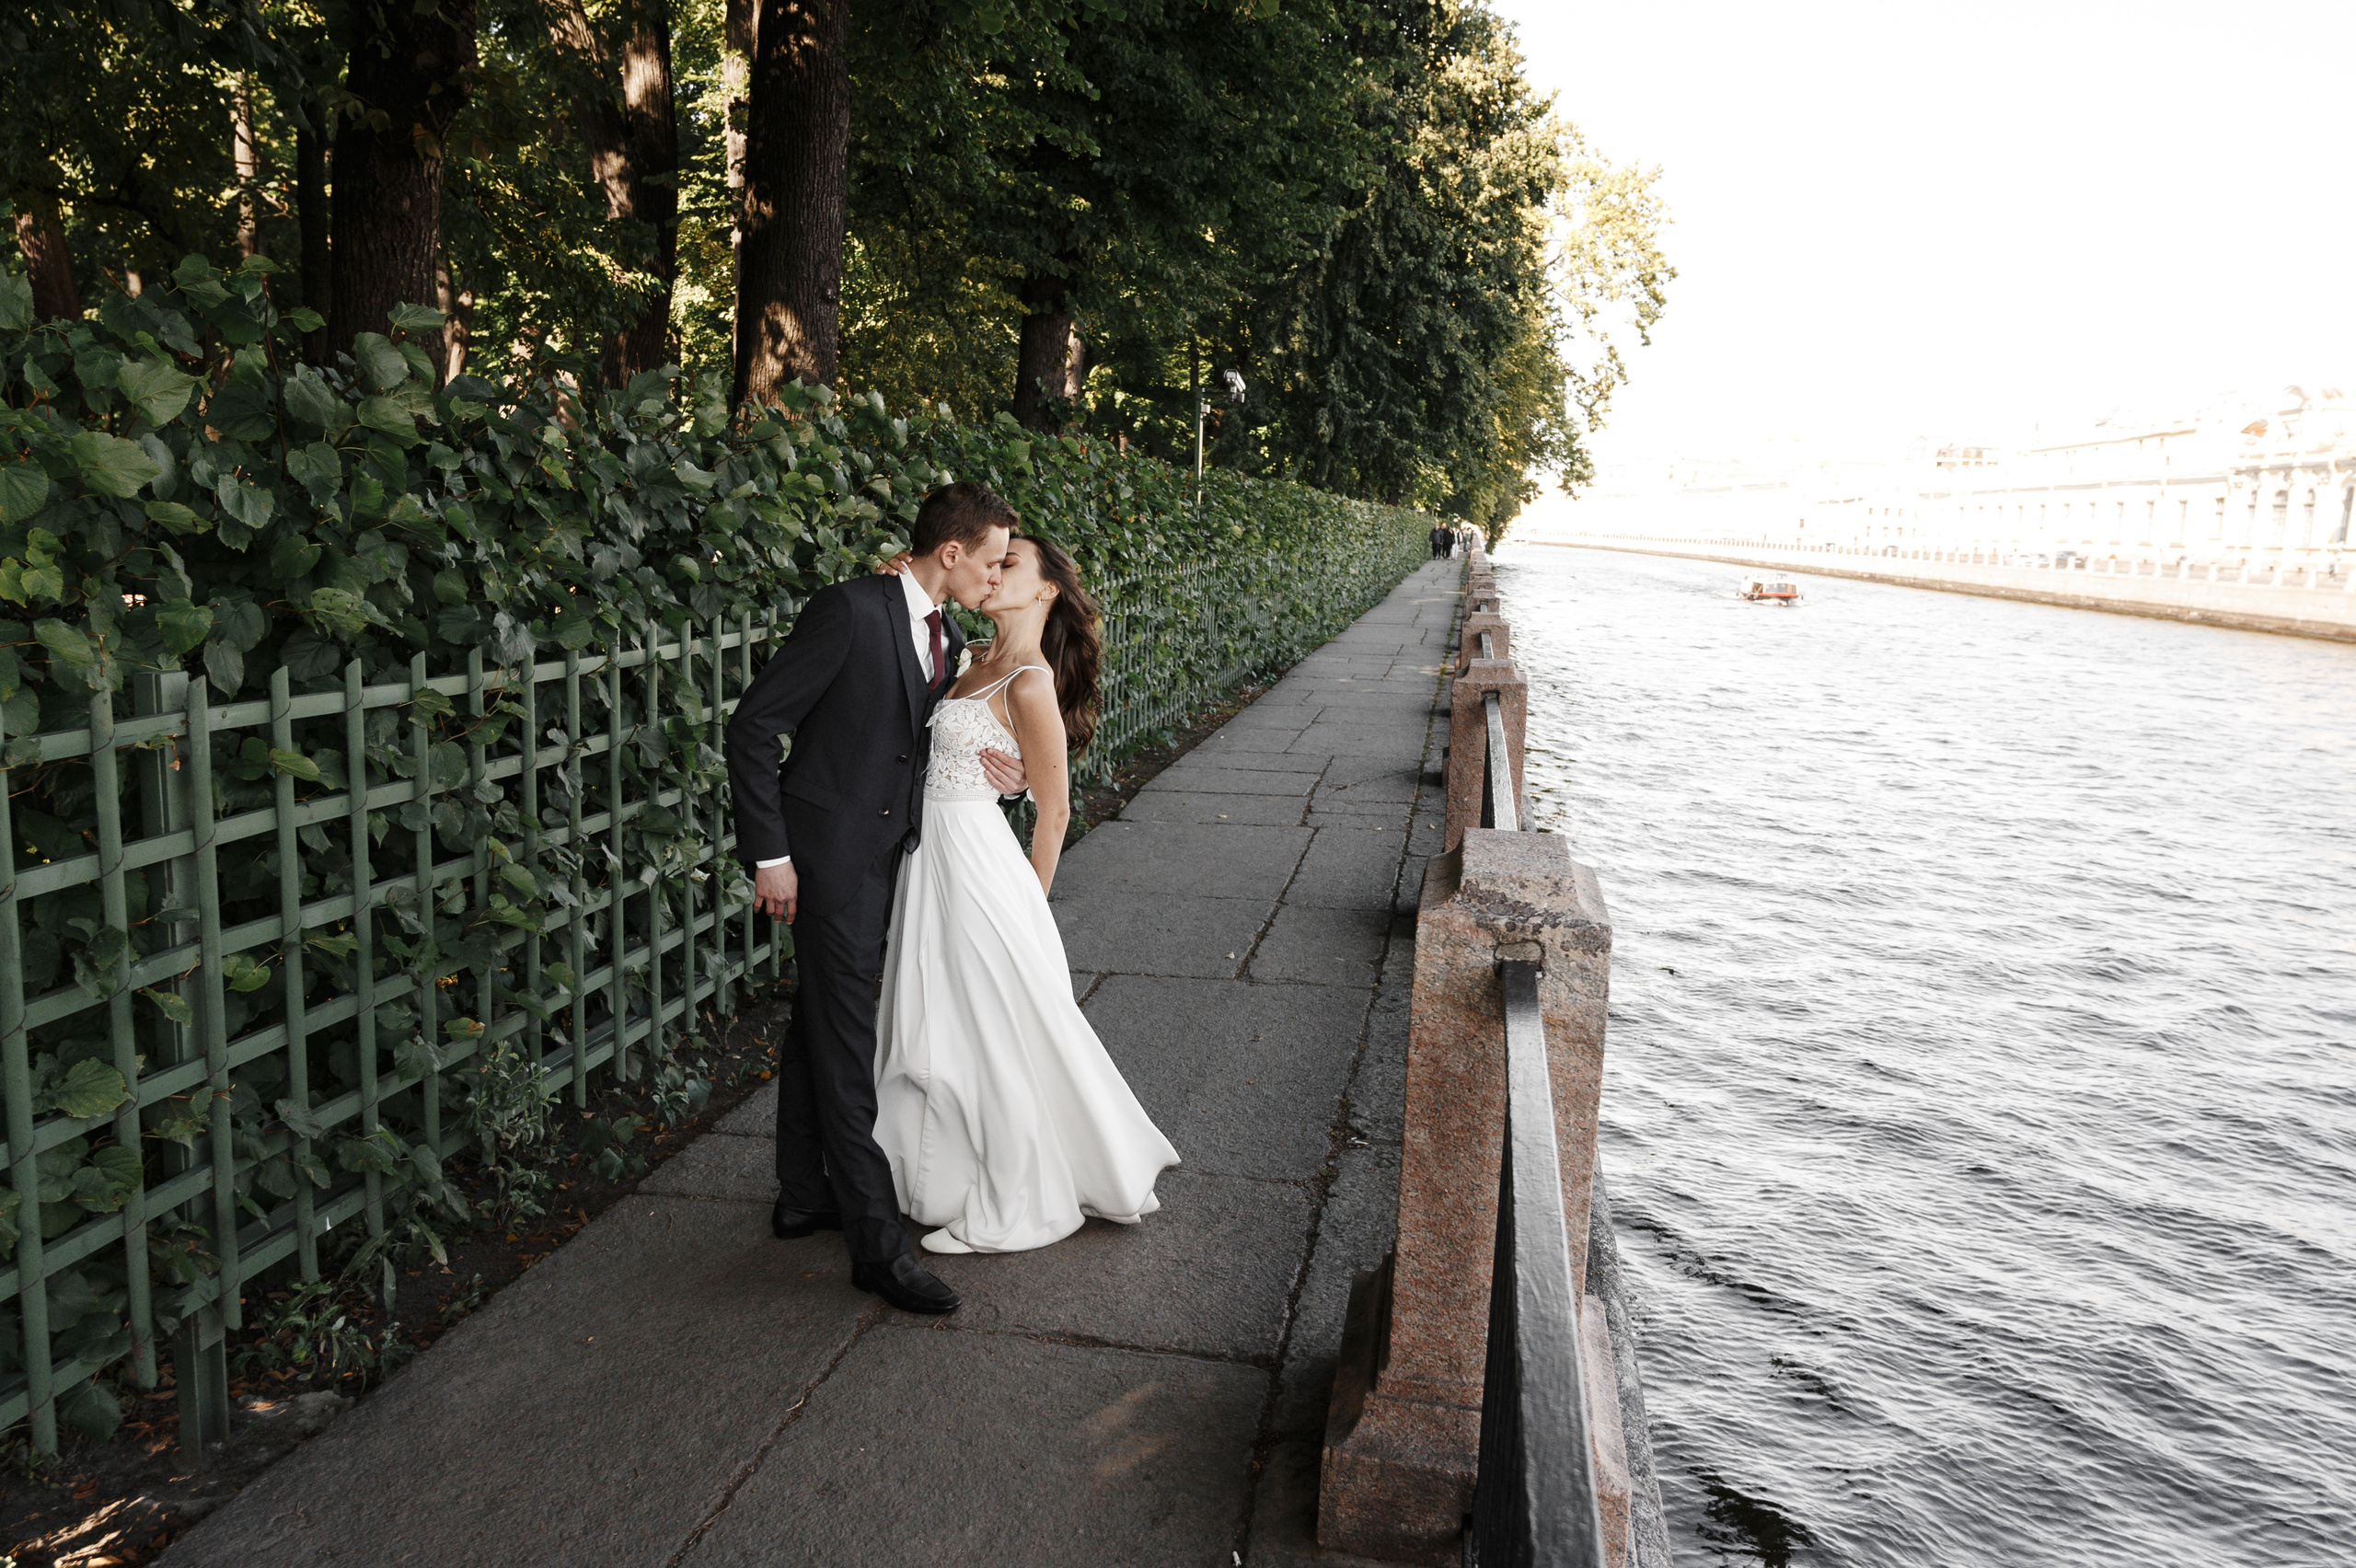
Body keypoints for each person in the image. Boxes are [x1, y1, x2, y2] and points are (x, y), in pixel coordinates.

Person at [722, 481, 1029, 1317]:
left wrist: (1001, 778)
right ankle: (877, 1247)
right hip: (825, 862)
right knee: (849, 1038)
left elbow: (911, 749)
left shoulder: (947, 628)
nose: (997, 578)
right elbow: (754, 727)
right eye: (993, 561)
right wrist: (771, 855)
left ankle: (802, 1193)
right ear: (952, 552)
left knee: (821, 1016)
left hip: (890, 858)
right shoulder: (850, 609)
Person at [871, 534, 1179, 1254]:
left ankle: (1018, 1199)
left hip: (982, 872)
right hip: (932, 863)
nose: (994, 569)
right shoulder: (968, 656)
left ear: (1046, 591)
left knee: (990, 1025)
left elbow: (1056, 809)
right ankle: (931, 1177)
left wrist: (1029, 908)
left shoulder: (1031, 681)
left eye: (1012, 564)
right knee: (934, 1020)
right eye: (994, 560)